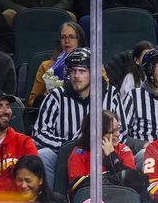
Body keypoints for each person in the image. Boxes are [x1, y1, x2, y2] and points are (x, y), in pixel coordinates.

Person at [32, 47, 127, 187]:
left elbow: (122, 131)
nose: (76, 76)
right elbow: (39, 134)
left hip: (104, 153)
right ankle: (53, 202)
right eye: (73, 70)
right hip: (64, 155)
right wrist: (68, 146)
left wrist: (102, 148)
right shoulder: (57, 96)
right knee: (44, 155)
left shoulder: (110, 93)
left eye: (82, 71)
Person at [68, 109, 139, 196]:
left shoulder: (123, 150)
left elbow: (133, 183)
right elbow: (77, 186)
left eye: (118, 129)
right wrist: (115, 180)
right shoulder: (79, 152)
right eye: (113, 131)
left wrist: (112, 156)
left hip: (121, 200)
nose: (118, 134)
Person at [27, 21, 87, 108]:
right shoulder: (46, 66)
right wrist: (45, 97)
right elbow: (31, 100)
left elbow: (105, 94)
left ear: (80, 41)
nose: (67, 41)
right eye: (63, 37)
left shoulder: (94, 66)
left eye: (71, 37)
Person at [0, 0, 74, 27]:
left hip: (52, 16)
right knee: (8, 14)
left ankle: (70, 56)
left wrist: (52, 12)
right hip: (21, 16)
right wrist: (25, 12)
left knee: (70, 16)